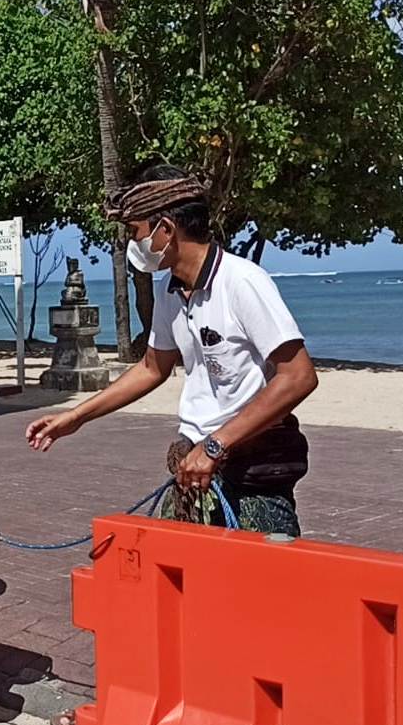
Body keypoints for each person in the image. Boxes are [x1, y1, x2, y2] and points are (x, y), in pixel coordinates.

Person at [26, 166, 318, 535]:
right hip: (193, 467)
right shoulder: (170, 291)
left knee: (262, 587)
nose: (132, 243)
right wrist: (76, 417)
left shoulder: (242, 282)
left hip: (253, 472)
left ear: (165, 228)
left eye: (135, 232)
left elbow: (299, 376)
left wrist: (216, 445)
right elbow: (152, 367)